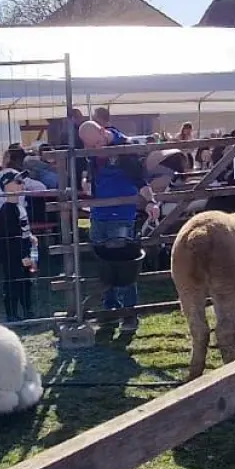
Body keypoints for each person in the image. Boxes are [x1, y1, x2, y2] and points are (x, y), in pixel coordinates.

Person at [85, 121, 157, 330]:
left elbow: (139, 180)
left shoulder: (126, 146)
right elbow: (90, 175)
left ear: (102, 131)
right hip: (98, 214)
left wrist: (151, 202)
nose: (96, 149)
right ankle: (110, 309)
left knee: (124, 264)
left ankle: (129, 313)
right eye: (91, 146)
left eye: (97, 143)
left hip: (121, 214)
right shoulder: (91, 152)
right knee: (104, 263)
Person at [0, 169, 37, 321]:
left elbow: (22, 228)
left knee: (26, 282)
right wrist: (21, 256)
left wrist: (30, 237)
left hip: (24, 250)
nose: (22, 185)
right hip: (13, 255)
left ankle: (27, 310)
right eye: (18, 182)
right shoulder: (7, 211)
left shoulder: (19, 206)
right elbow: (10, 238)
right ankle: (12, 314)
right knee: (13, 283)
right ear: (7, 187)